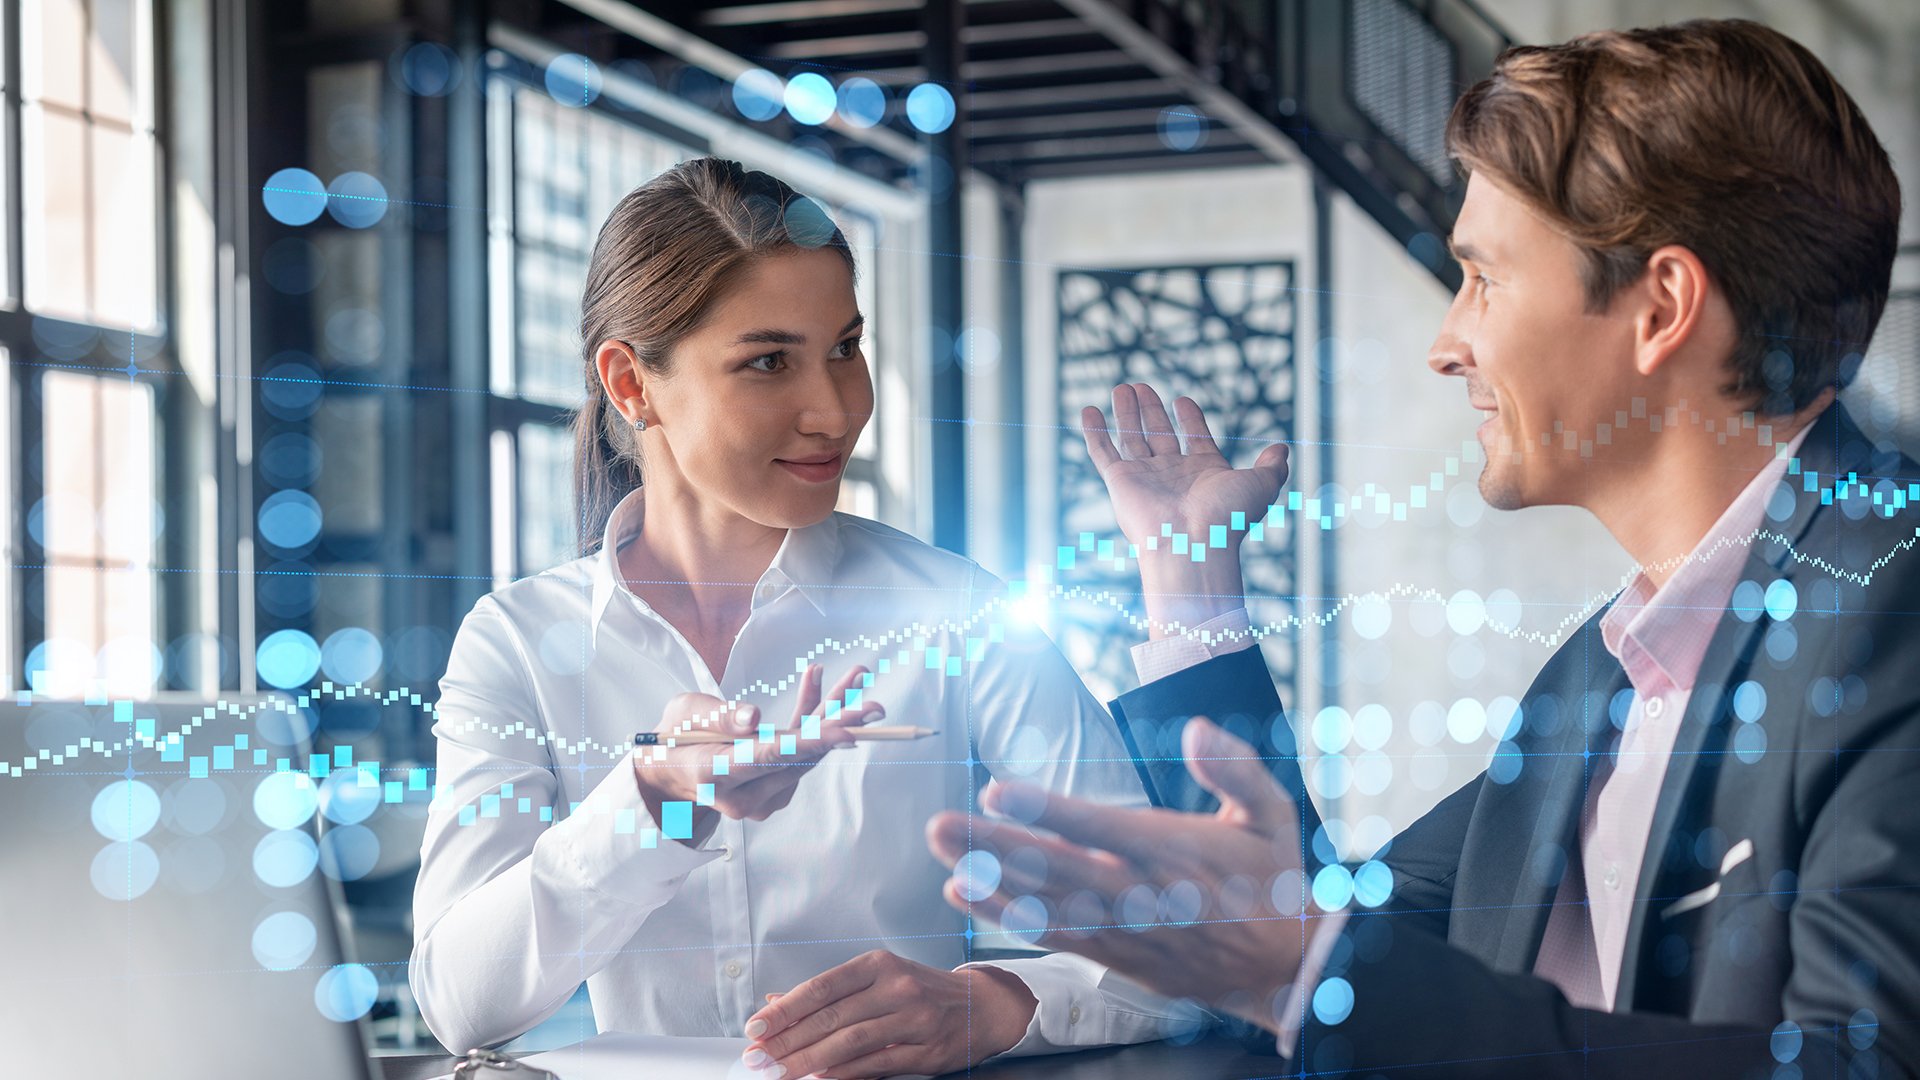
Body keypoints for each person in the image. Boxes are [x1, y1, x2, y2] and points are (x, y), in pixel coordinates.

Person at [929, 19, 1916, 1077]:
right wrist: (1189, 574)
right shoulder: (1600, 677)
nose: (1448, 344)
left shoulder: (1892, 612)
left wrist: (1306, 971)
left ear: (1661, 306)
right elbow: (1312, 933)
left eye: (1485, 278)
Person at [409, 158, 1197, 1076]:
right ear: (632, 384)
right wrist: (655, 804)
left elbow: (1182, 943)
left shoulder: (955, 615)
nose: (836, 409)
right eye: (769, 362)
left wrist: (987, 1005)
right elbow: (459, 1003)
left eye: (845, 348)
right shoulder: (516, 644)